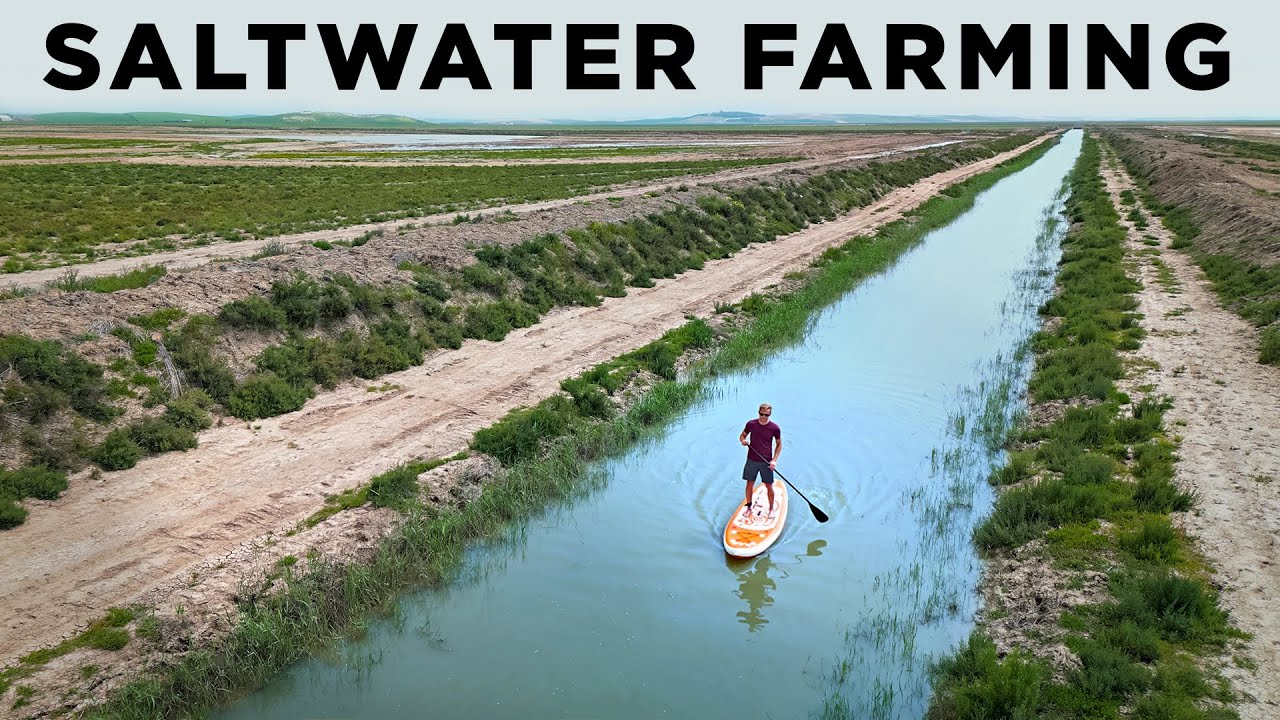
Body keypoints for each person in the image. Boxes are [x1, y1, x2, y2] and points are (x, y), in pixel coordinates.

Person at [739, 402, 782, 519]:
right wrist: (743, 441)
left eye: (766, 415)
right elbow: (742, 436)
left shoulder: (775, 428)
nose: (763, 417)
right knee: (749, 484)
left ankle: (771, 509)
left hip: (766, 462)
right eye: (761, 414)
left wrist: (774, 460)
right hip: (752, 460)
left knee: (769, 486)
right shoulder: (751, 424)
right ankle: (749, 507)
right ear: (758, 412)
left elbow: (779, 445)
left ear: (770, 415)